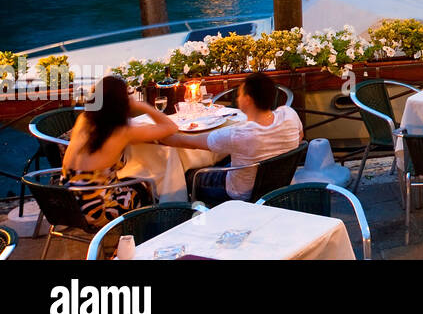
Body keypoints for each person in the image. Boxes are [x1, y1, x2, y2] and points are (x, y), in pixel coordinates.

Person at [165, 71, 302, 206]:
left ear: (248, 100)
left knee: (190, 175)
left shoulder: (239, 134)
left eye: (240, 94)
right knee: (223, 160)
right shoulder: (289, 115)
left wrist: (156, 135)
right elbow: (299, 138)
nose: (237, 98)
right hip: (278, 184)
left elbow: (184, 141)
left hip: (240, 194)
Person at [60, 75, 178, 227]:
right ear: (122, 102)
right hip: (96, 211)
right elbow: (171, 128)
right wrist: (142, 106)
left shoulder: (84, 119)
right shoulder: (122, 132)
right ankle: (145, 234)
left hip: (65, 203)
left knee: (131, 179)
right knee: (145, 188)